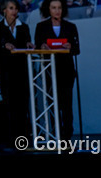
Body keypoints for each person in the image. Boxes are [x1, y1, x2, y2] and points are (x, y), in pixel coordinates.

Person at [34, 0, 80, 139]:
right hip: (48, 71)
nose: (57, 11)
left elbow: (77, 50)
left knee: (66, 106)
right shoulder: (41, 26)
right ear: (48, 9)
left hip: (66, 71)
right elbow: (37, 47)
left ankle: (67, 136)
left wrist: (70, 47)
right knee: (53, 105)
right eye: (54, 8)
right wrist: (42, 47)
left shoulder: (71, 26)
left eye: (59, 8)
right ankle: (55, 134)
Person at [0, 0, 33, 141]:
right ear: (4, 11)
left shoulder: (24, 27)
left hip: (22, 71)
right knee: (10, 104)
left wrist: (28, 44)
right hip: (6, 72)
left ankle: (24, 136)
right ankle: (12, 138)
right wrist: (4, 46)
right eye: (11, 8)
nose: (14, 11)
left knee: (23, 103)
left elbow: (26, 44)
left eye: (16, 9)